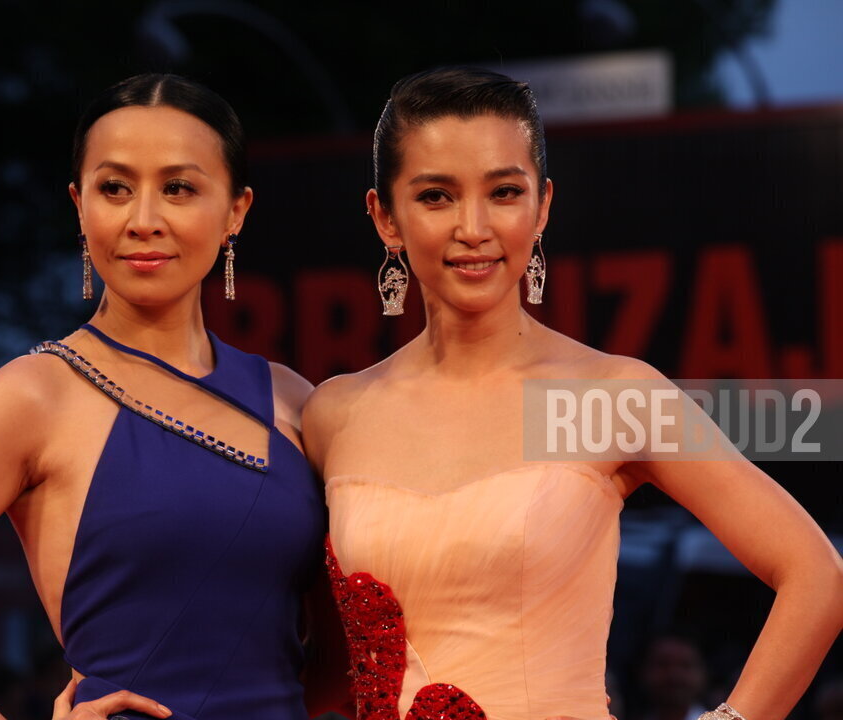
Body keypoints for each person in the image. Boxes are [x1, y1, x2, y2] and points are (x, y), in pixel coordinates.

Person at [301, 66, 843, 720]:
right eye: (437, 196)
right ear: (385, 216)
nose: (474, 227)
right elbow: (323, 672)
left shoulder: (609, 397)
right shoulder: (337, 414)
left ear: (543, 206)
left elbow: (817, 577)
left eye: (503, 192)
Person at [0, 73, 328, 720]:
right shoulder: (33, 398)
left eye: (179, 188)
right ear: (79, 205)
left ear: (236, 210)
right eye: (114, 188)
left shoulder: (293, 400)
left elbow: (329, 651)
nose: (144, 220)